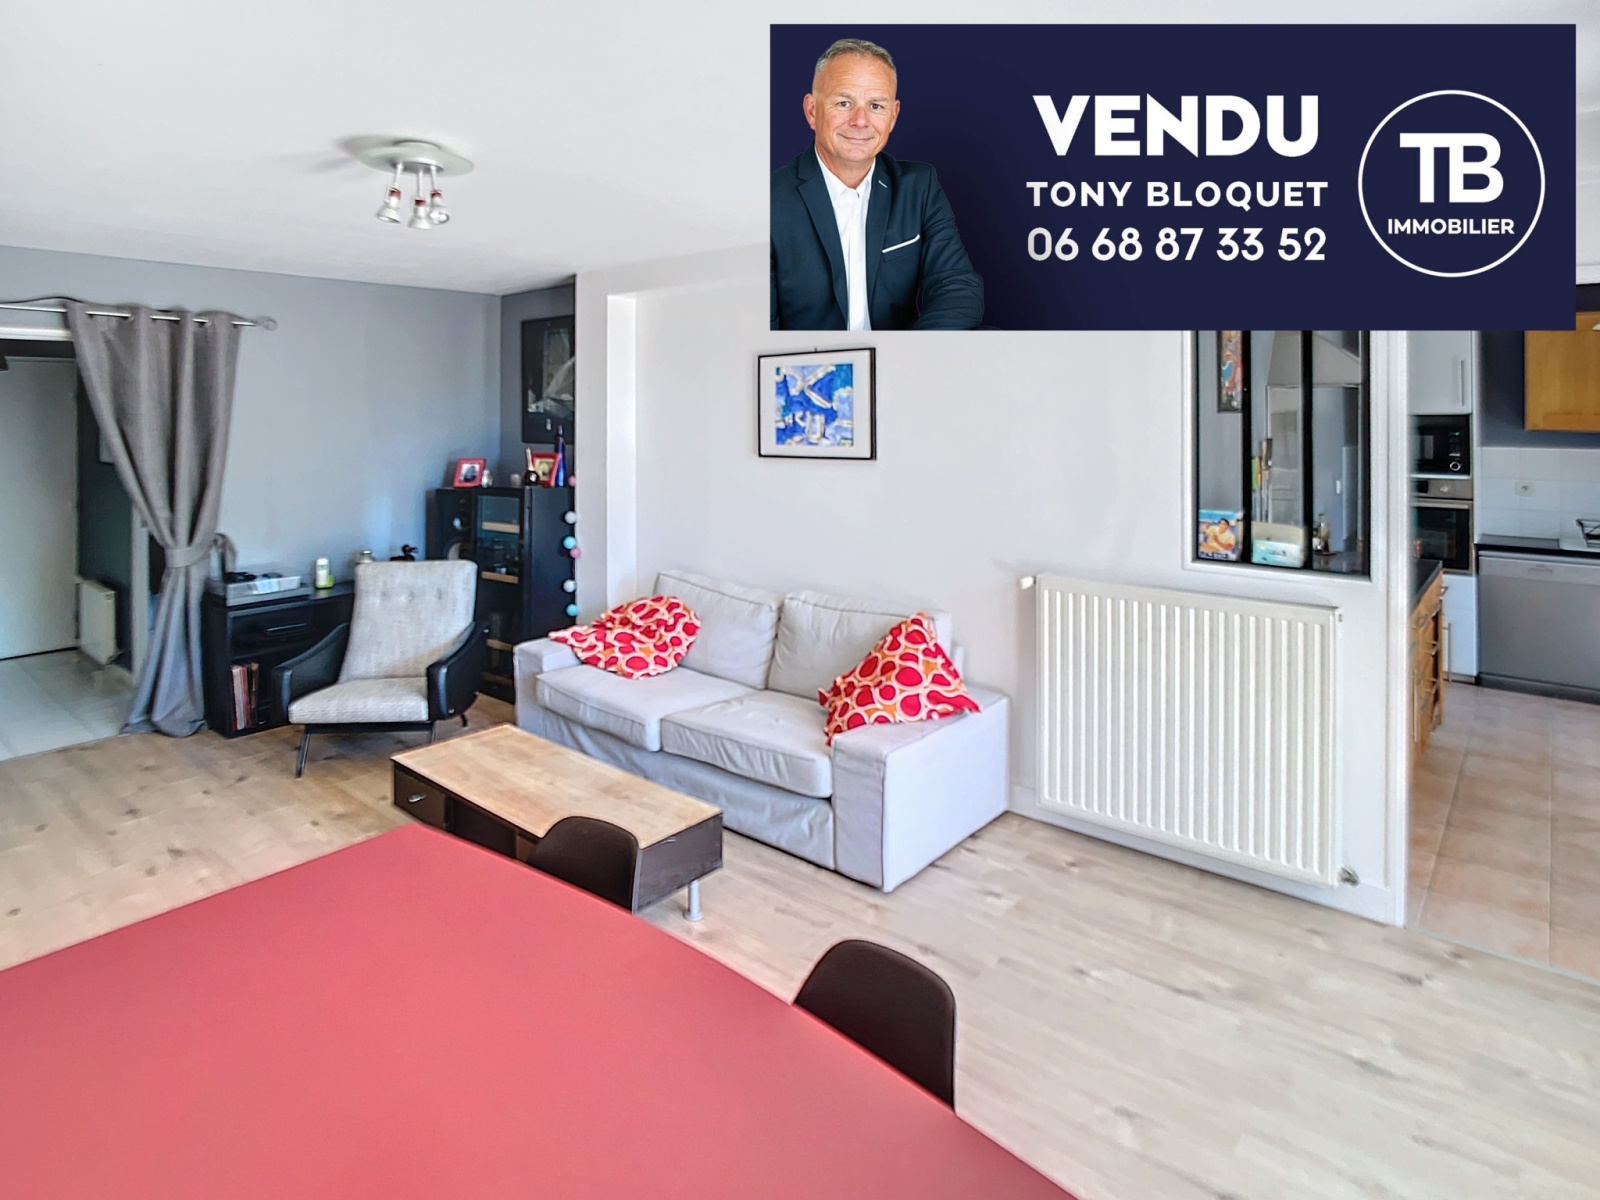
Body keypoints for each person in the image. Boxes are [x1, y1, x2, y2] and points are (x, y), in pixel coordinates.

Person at [771, 38, 983, 331]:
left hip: (904, 352)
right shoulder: (767, 201)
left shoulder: (918, 187)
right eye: (844, 103)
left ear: (893, 116)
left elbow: (956, 287)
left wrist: (910, 353)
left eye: (875, 106)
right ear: (812, 111)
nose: (860, 121)